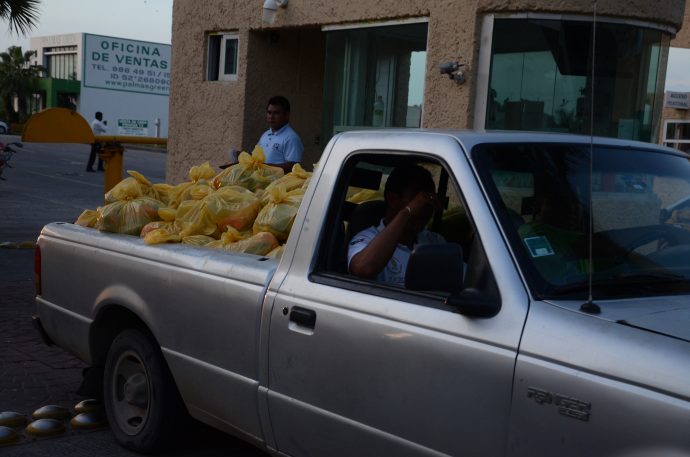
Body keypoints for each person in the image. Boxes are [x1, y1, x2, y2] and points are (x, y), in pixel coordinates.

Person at [348, 164, 444, 286]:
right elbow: (363, 269)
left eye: (429, 202)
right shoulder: (367, 238)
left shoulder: (435, 241)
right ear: (393, 199)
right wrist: (407, 213)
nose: (423, 209)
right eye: (417, 202)